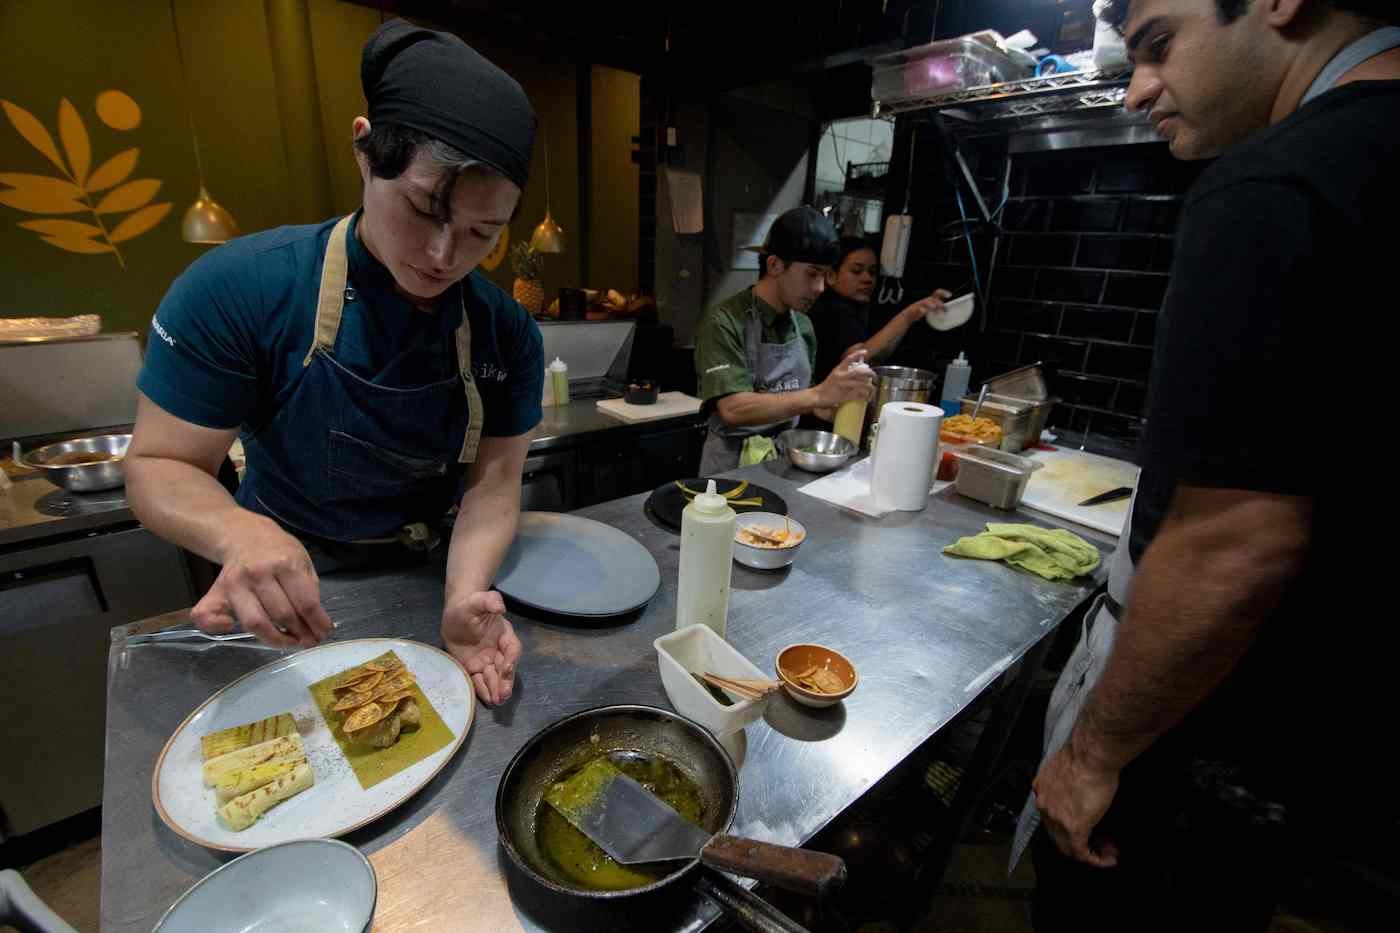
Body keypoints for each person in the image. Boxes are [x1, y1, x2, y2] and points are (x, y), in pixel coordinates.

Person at [1015, 1, 1397, 929]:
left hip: (1204, 736)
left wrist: (1091, 754)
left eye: (1158, 44)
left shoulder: (1275, 183)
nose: (1137, 90)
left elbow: (1235, 539)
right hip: (1313, 753)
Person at [126, 20, 546, 706]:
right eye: (423, 208)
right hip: (287, 592)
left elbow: (493, 487)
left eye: (482, 232)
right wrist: (238, 531)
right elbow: (157, 464)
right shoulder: (240, 288)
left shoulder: (507, 334)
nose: (444, 255)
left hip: (429, 582)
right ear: (364, 151)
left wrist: (465, 594)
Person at [693, 207, 875, 473]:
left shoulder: (803, 325)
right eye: (812, 273)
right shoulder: (723, 322)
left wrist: (832, 405)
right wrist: (818, 395)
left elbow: (801, 400)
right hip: (730, 468)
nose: (820, 287)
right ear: (775, 265)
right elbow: (733, 410)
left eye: (825, 275)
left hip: (785, 460)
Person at [806, 236, 954, 385]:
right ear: (831, 276)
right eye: (857, 271)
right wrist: (909, 315)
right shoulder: (832, 310)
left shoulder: (856, 308)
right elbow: (859, 360)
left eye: (872, 272)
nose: (867, 279)